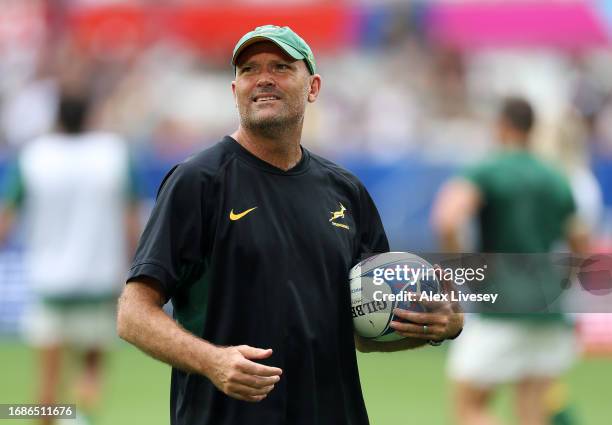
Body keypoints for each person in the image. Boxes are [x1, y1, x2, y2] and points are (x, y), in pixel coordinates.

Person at [117, 25, 463, 425]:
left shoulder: (346, 191)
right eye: (248, 69)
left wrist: (436, 326)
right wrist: (212, 361)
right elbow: (133, 314)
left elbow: (364, 331)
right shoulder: (198, 182)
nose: (263, 78)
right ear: (235, 92)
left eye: (281, 66)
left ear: (313, 86)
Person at [432, 97, 589, 425]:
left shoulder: (488, 169)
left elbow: (447, 219)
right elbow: (581, 241)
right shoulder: (555, 176)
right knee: (532, 410)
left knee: (469, 407)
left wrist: (465, 272)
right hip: (549, 306)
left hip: (501, 304)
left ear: (502, 126)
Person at [0, 92, 141, 425]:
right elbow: (131, 220)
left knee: (48, 385)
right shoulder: (114, 153)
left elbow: (6, 221)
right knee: (90, 379)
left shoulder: (34, 156)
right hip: (100, 280)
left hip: (51, 283)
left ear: (57, 117)